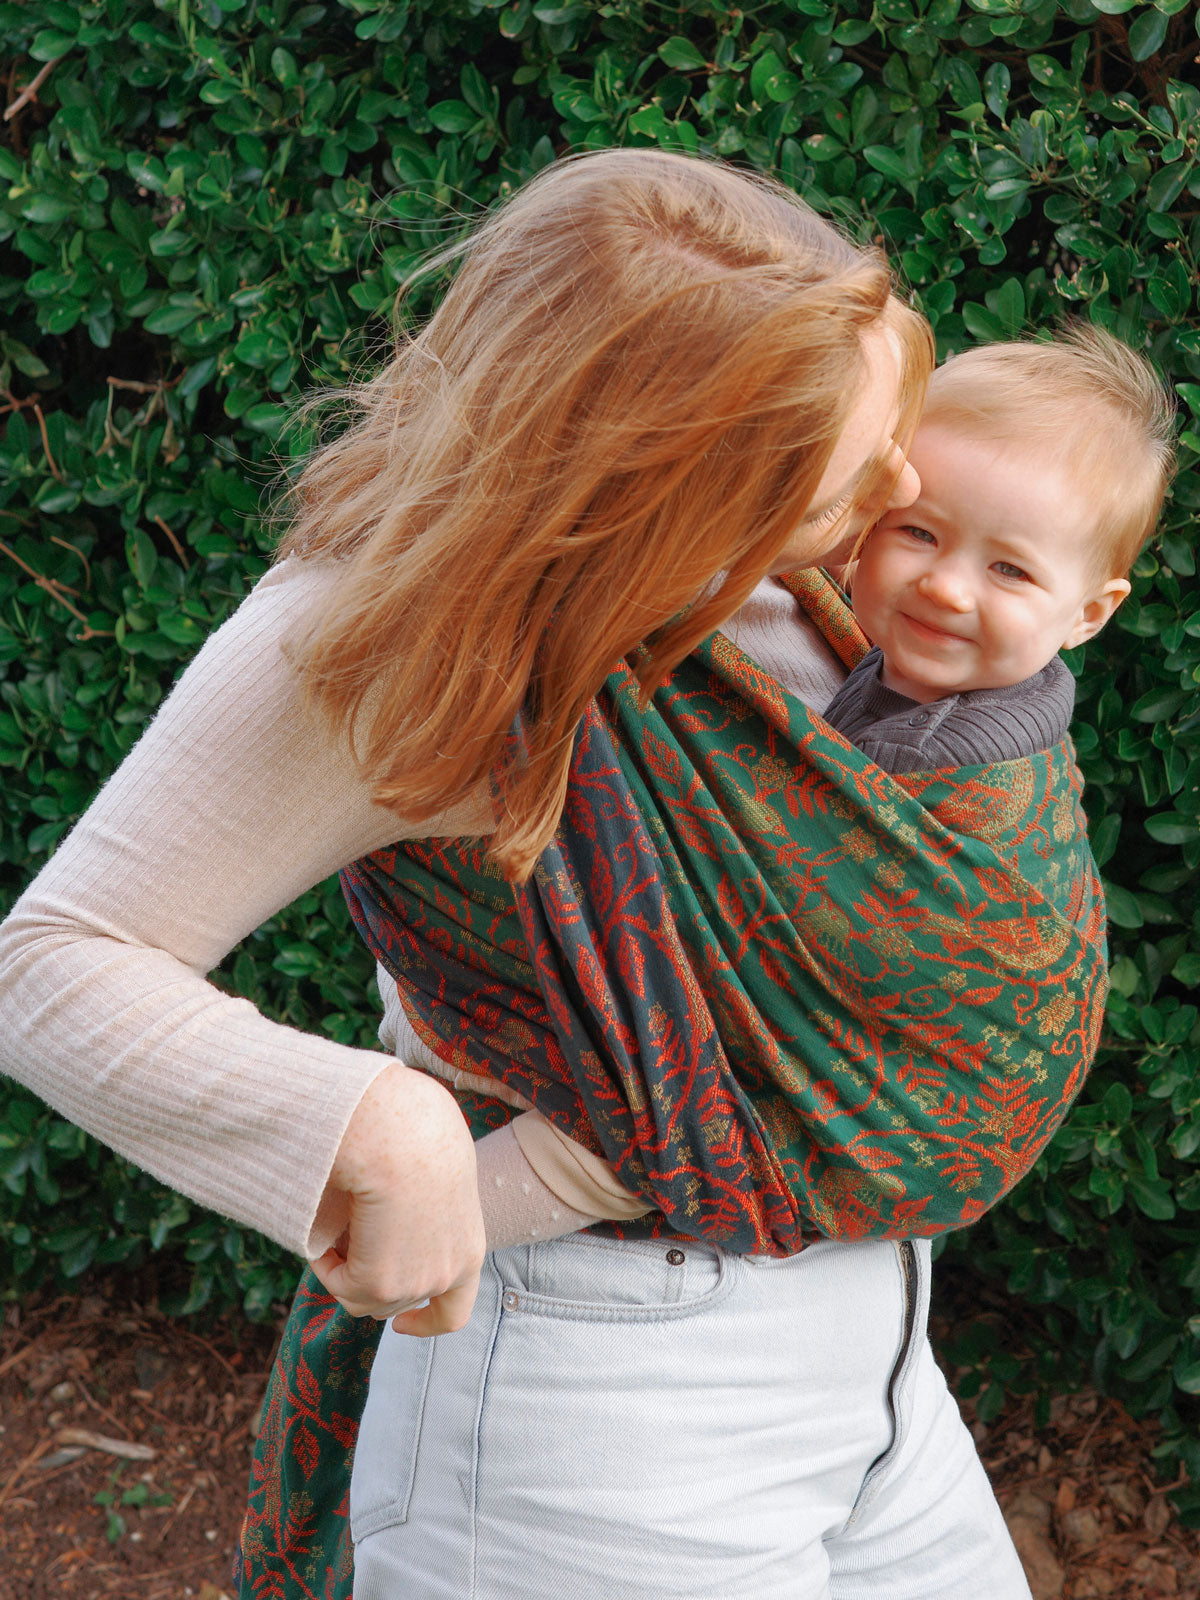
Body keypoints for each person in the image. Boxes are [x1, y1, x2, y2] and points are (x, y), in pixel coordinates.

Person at [0, 149, 1117, 1600]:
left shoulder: (782, 572)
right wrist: (373, 1125)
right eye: (836, 474)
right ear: (656, 481)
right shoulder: (393, 632)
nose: (902, 487)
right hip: (597, 1402)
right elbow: (53, 960)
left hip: (874, 1356)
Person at [823, 328, 1173, 771]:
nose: (946, 589)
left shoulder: (917, 759)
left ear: (1089, 613)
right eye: (919, 533)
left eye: (1010, 569)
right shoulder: (1002, 679)